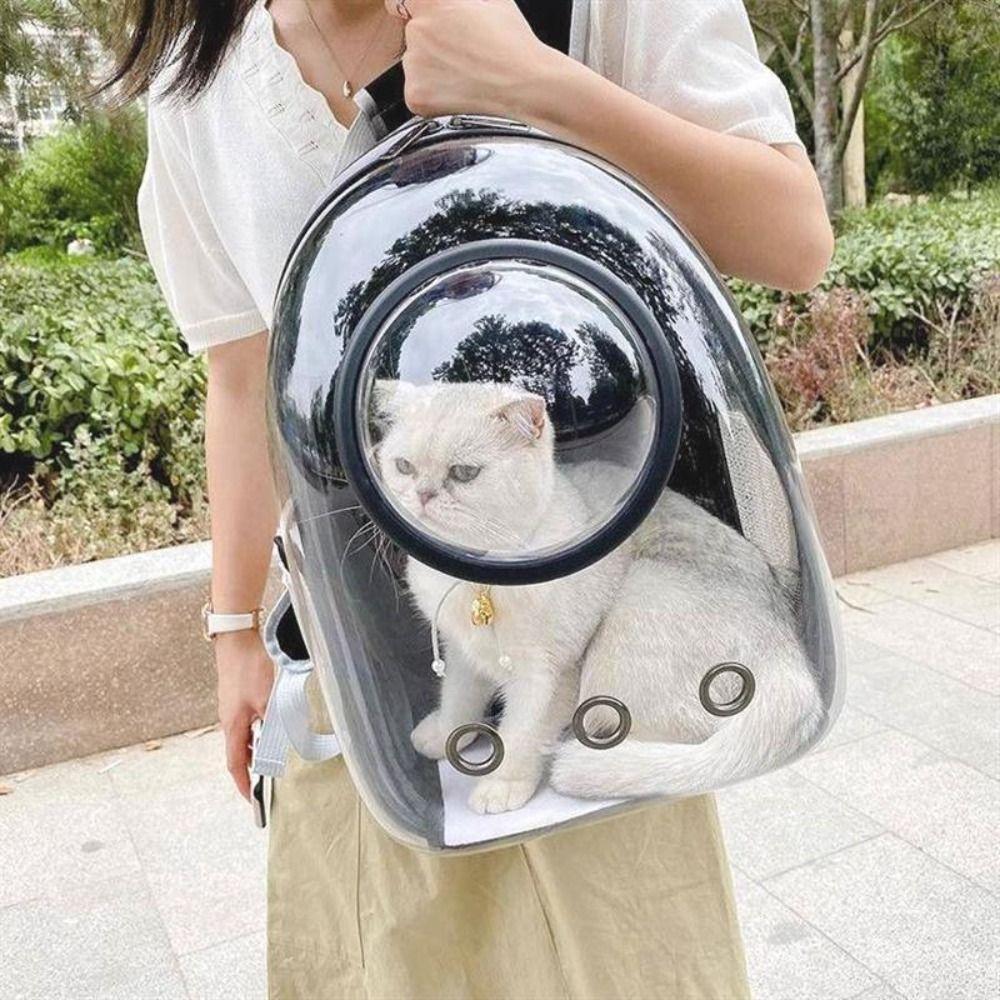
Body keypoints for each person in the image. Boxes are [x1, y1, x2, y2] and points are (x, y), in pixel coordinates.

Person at [116, 1, 833, 996]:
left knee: (621, 963)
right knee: (380, 961)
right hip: (356, 661)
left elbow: (793, 236)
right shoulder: (200, 85)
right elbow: (244, 378)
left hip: (588, 648)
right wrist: (234, 631)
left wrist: (535, 82)